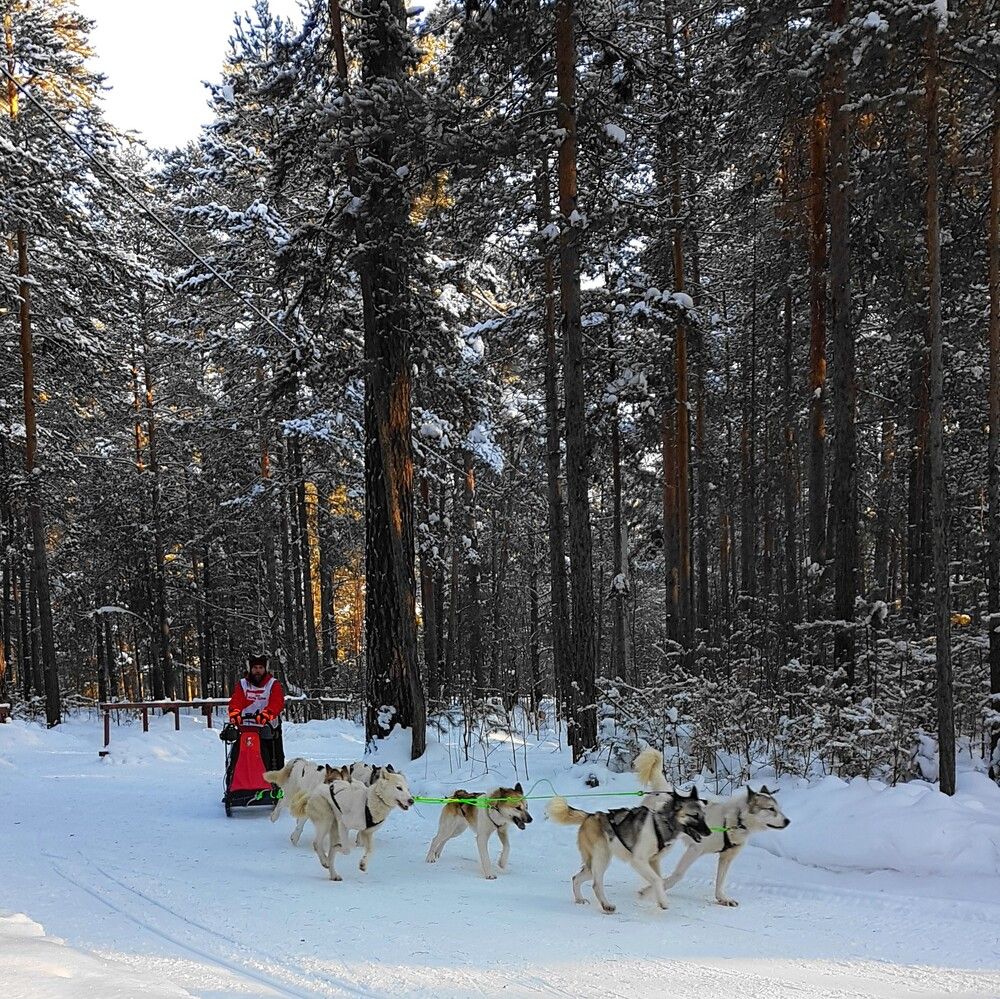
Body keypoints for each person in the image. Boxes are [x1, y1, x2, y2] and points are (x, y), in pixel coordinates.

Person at [227, 652, 285, 772]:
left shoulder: (273, 684)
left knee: (274, 756)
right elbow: (236, 700)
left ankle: (276, 782)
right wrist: (234, 712)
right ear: (250, 669)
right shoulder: (243, 684)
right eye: (255, 668)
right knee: (238, 755)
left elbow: (277, 701)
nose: (257, 671)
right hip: (246, 728)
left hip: (268, 727)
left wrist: (268, 713)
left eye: (260, 668)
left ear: (265, 669)